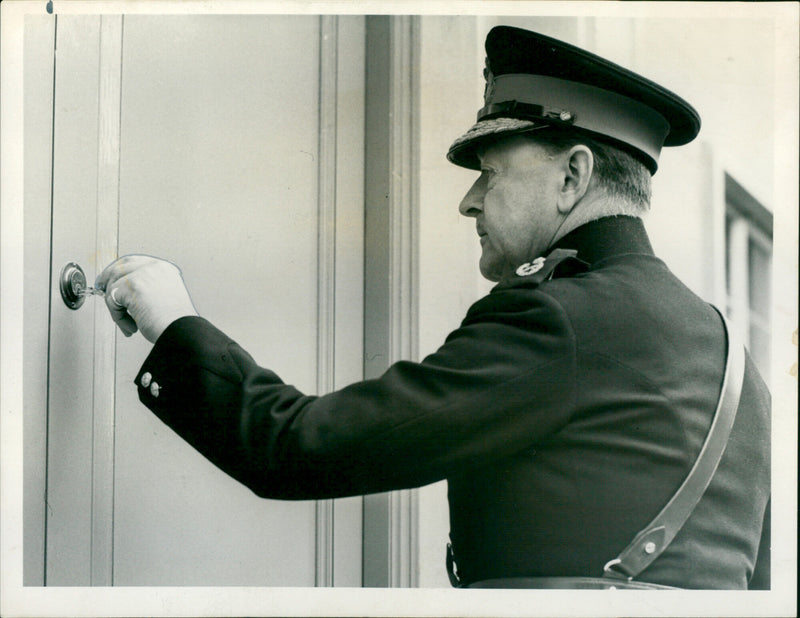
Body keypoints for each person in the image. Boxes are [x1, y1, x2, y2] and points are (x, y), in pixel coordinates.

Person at [96, 26, 770, 589]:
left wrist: (173, 323)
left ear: (574, 176)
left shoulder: (558, 317)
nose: (470, 201)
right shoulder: (735, 363)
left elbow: (296, 448)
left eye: (493, 171)